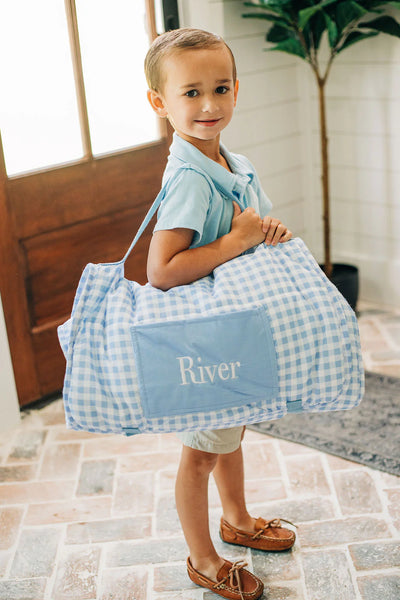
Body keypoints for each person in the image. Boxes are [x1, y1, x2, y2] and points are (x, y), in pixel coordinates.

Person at [144, 28, 295, 600]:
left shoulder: (233, 160)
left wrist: (265, 231)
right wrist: (236, 242)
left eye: (221, 88)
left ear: (237, 90)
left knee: (233, 430)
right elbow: (162, 270)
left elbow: (250, 227)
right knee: (201, 453)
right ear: (160, 102)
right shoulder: (187, 179)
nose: (209, 105)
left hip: (235, 329)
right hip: (204, 340)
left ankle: (237, 518)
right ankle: (203, 557)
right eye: (190, 93)